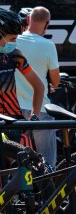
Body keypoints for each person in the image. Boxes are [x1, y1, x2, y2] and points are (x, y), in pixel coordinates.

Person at [16, 6, 60, 168]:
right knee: (48, 162)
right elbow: (55, 81)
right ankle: (47, 192)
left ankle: (19, 193)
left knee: (17, 160)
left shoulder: (14, 41)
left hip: (14, 109)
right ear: (47, 24)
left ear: (28, 20)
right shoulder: (48, 45)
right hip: (40, 108)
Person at [0, 8, 44, 142]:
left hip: (15, 122)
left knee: (27, 162)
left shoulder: (15, 55)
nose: (15, 42)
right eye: (12, 38)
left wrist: (34, 117)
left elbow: (39, 86)